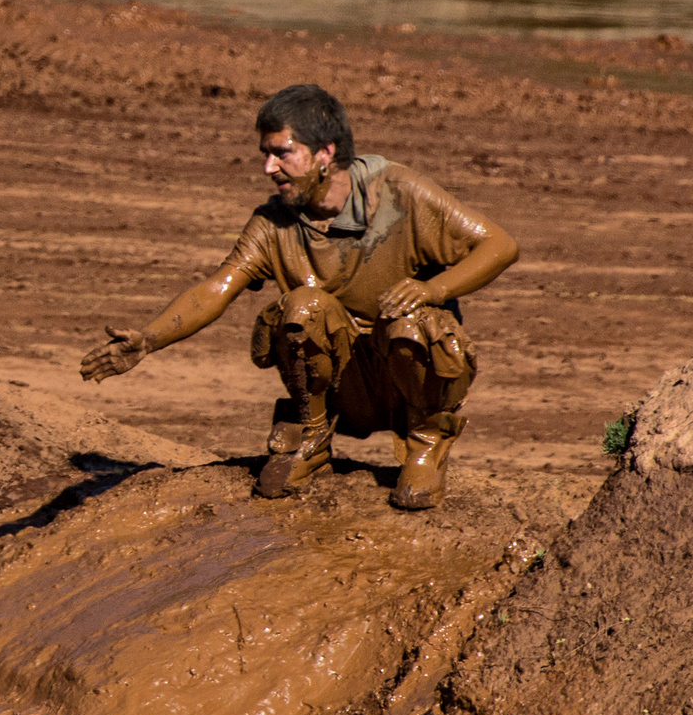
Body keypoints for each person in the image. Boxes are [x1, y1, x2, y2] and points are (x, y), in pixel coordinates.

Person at [80, 84, 518, 508]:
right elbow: (217, 288)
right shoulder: (273, 222)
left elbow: (500, 245)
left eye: (281, 153)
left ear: (325, 153)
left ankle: (426, 446)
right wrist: (148, 340)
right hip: (345, 384)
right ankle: (311, 439)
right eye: (265, 155)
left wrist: (432, 289)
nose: (269, 168)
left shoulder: (401, 193)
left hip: (410, 380)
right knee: (300, 307)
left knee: (412, 319)